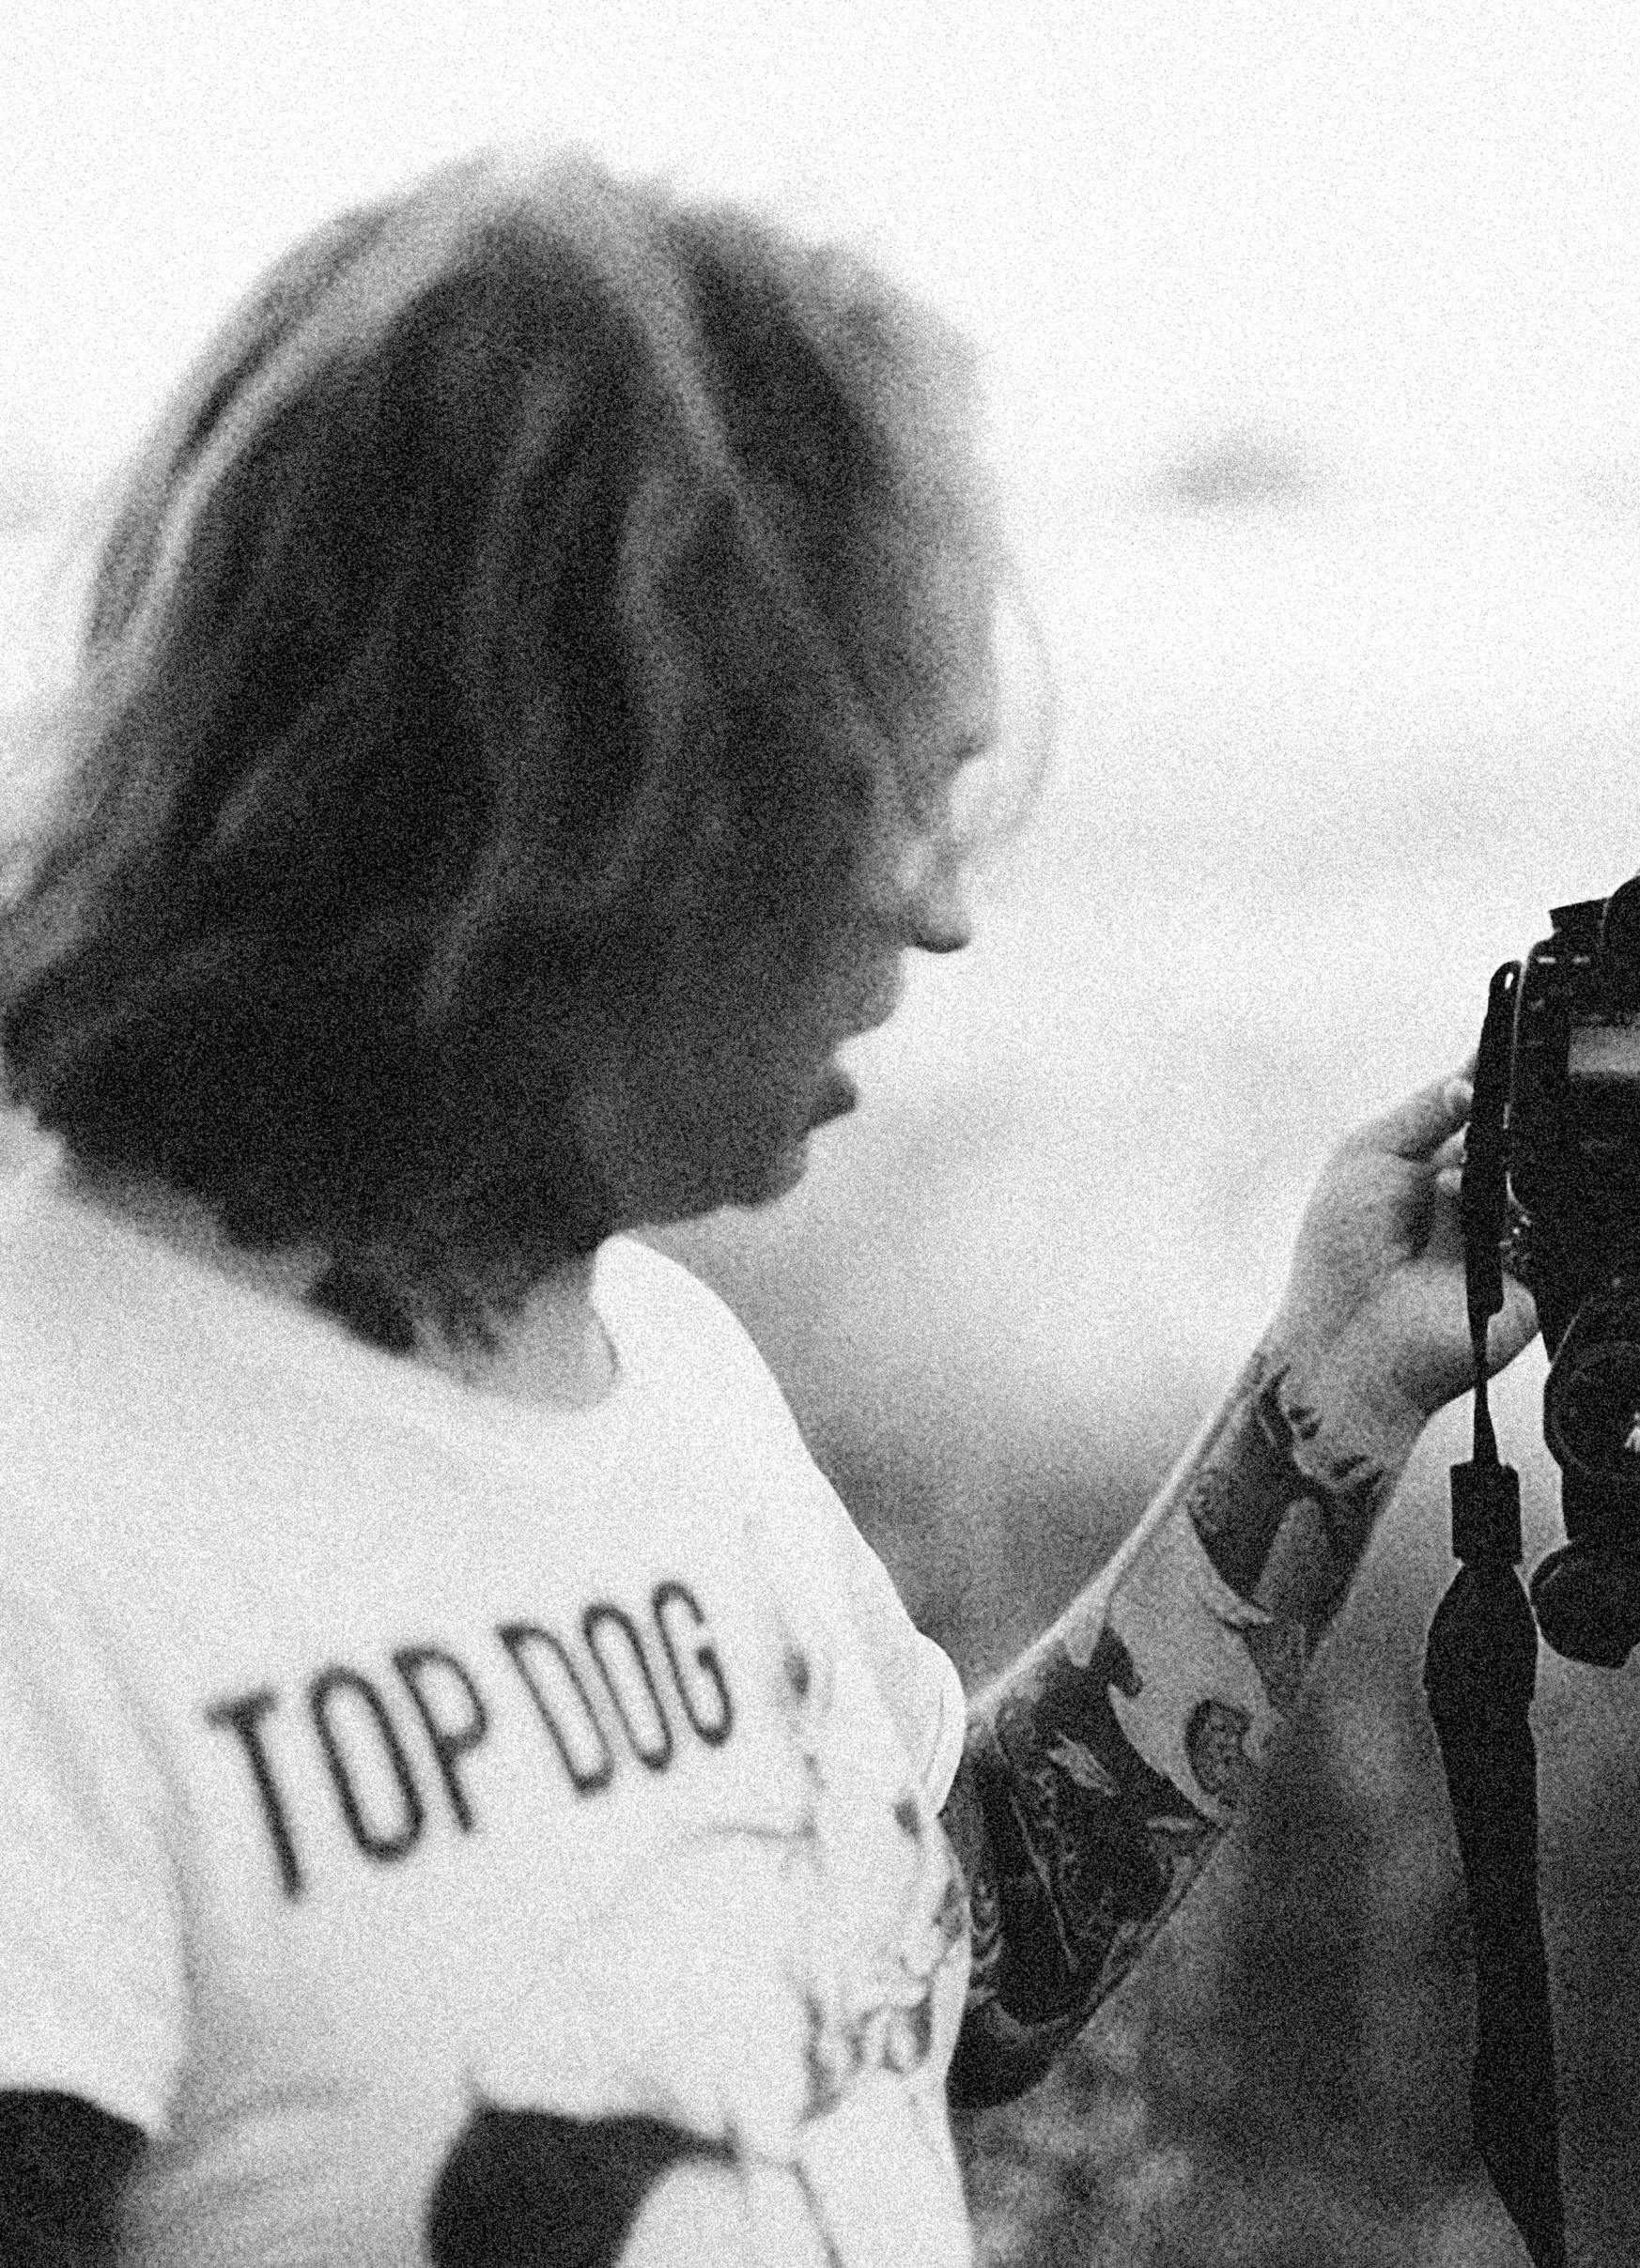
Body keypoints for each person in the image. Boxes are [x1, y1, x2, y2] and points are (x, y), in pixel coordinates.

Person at [0, 150, 1529, 2267]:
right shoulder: (44, 1523)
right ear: (581, 806)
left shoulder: (656, 1372)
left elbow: (937, 1973)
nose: (939, 904)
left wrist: (1327, 1401)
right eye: (877, 792)